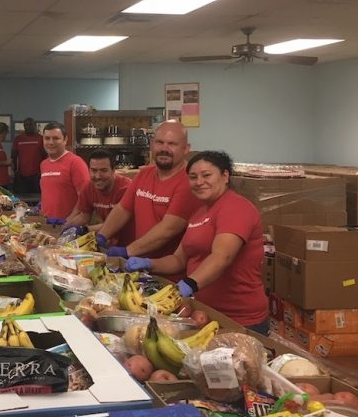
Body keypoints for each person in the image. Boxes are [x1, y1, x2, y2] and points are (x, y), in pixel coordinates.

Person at [125, 151, 269, 333]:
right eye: (193, 177)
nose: (199, 182)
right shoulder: (199, 213)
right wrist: (148, 263)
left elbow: (222, 256)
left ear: (225, 176)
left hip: (240, 319)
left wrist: (190, 284)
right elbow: (179, 260)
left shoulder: (236, 207)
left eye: (206, 175)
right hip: (205, 313)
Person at [96, 121, 201, 277]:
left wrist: (128, 251)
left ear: (186, 149)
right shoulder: (145, 174)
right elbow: (123, 209)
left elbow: (168, 229)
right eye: (160, 142)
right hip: (138, 270)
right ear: (152, 144)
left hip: (168, 277)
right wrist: (101, 236)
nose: (164, 149)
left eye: (172, 144)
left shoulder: (189, 182)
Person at [63, 149, 134, 246]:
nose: (98, 176)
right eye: (94, 170)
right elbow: (84, 216)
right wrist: (67, 227)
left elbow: (116, 223)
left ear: (113, 170)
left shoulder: (125, 189)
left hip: (131, 245)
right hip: (110, 243)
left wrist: (85, 229)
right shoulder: (88, 187)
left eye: (103, 170)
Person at [39, 121, 90, 223]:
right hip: (47, 223)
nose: (51, 142)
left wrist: (69, 221)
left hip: (67, 226)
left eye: (56, 138)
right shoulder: (44, 164)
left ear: (65, 139)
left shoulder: (76, 163)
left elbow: (85, 198)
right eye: (47, 138)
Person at [11, 118, 45, 195]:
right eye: (26, 125)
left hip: (37, 175)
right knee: (22, 199)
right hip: (21, 175)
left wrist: (42, 172)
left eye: (30, 124)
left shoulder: (41, 138)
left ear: (35, 125)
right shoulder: (18, 139)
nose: (28, 126)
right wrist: (15, 171)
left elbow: (45, 156)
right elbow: (13, 156)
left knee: (37, 198)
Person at [0, 122, 12, 189]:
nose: (6, 136)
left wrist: (8, 163)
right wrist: (6, 162)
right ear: (4, 132)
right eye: (6, 133)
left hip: (3, 181)